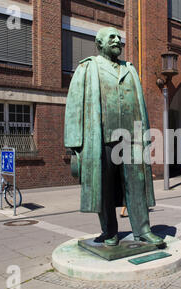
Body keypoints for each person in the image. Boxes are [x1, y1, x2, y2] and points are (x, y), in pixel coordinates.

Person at [64, 27, 163, 246]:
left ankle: (143, 230)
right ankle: (109, 231)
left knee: (137, 184)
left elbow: (140, 105)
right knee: (104, 187)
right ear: (99, 43)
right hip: (101, 140)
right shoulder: (88, 67)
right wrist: (73, 146)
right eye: (112, 38)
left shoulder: (130, 69)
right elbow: (73, 106)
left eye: (119, 37)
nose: (118, 40)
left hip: (131, 138)